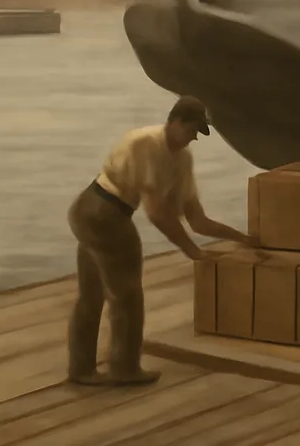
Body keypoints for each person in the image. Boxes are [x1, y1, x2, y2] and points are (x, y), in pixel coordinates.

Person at [67, 96, 263, 386]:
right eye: (191, 130)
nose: (193, 138)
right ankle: (124, 367)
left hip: (107, 213)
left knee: (93, 293)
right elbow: (156, 212)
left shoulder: (182, 160)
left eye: (198, 133)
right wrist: (191, 250)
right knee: (127, 295)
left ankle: (81, 368)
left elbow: (196, 218)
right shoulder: (146, 142)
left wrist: (242, 238)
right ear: (175, 121)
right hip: (101, 209)